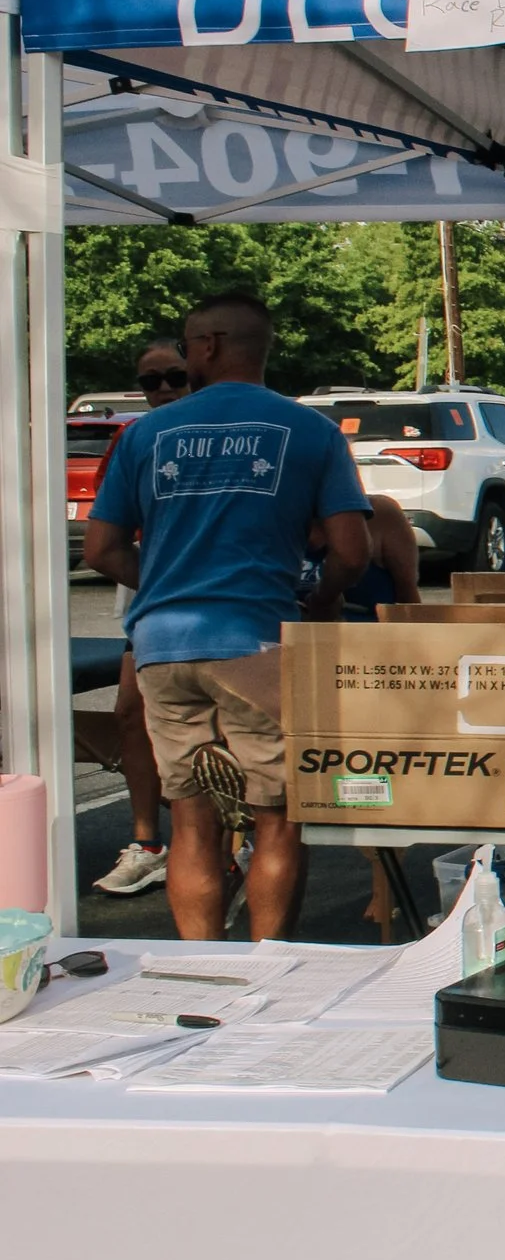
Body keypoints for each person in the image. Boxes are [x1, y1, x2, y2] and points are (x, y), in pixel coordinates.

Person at [83, 293, 370, 940]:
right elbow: (354, 551)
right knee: (276, 816)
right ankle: (268, 962)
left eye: (186, 348)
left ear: (209, 346)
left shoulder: (145, 435)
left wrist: (160, 578)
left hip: (162, 643)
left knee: (191, 818)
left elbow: (100, 549)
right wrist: (319, 597)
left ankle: (203, 967)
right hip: (258, 641)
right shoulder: (312, 430)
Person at [93, 338, 188, 897]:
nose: (164, 390)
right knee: (132, 713)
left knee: (225, 731)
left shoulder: (231, 429)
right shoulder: (136, 438)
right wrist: (161, 583)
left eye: (174, 376)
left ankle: (234, 844)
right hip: (154, 601)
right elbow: (107, 536)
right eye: (150, 382)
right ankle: (148, 842)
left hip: (232, 604)